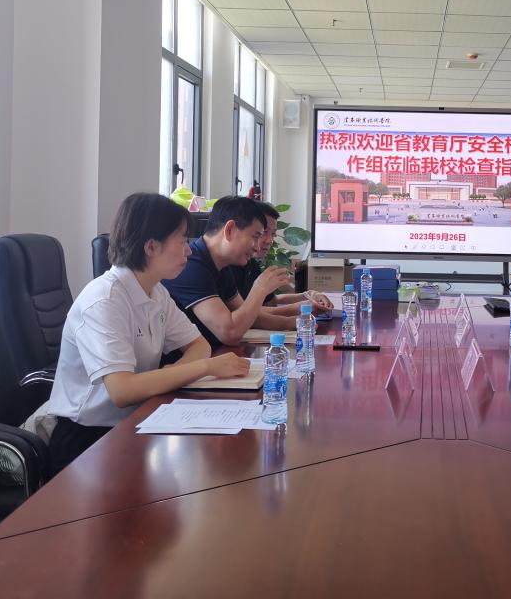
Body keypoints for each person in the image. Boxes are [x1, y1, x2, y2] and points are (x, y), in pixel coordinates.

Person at [48, 193, 251, 472]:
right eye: (182, 241)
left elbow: (199, 345)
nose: (189, 251)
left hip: (140, 418)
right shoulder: (104, 300)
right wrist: (203, 368)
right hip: (88, 440)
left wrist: (173, 375)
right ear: (151, 247)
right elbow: (123, 390)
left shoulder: (156, 291)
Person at [163, 196, 291, 347]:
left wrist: (294, 322)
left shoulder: (222, 265)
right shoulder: (191, 266)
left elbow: (249, 316)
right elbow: (230, 333)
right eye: (255, 237)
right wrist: (260, 289)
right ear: (229, 230)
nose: (257, 247)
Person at [231, 201, 333, 331]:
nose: (269, 240)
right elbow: (246, 313)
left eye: (273, 234)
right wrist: (297, 310)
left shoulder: (250, 263)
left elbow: (270, 302)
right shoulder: (227, 266)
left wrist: (309, 294)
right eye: (262, 233)